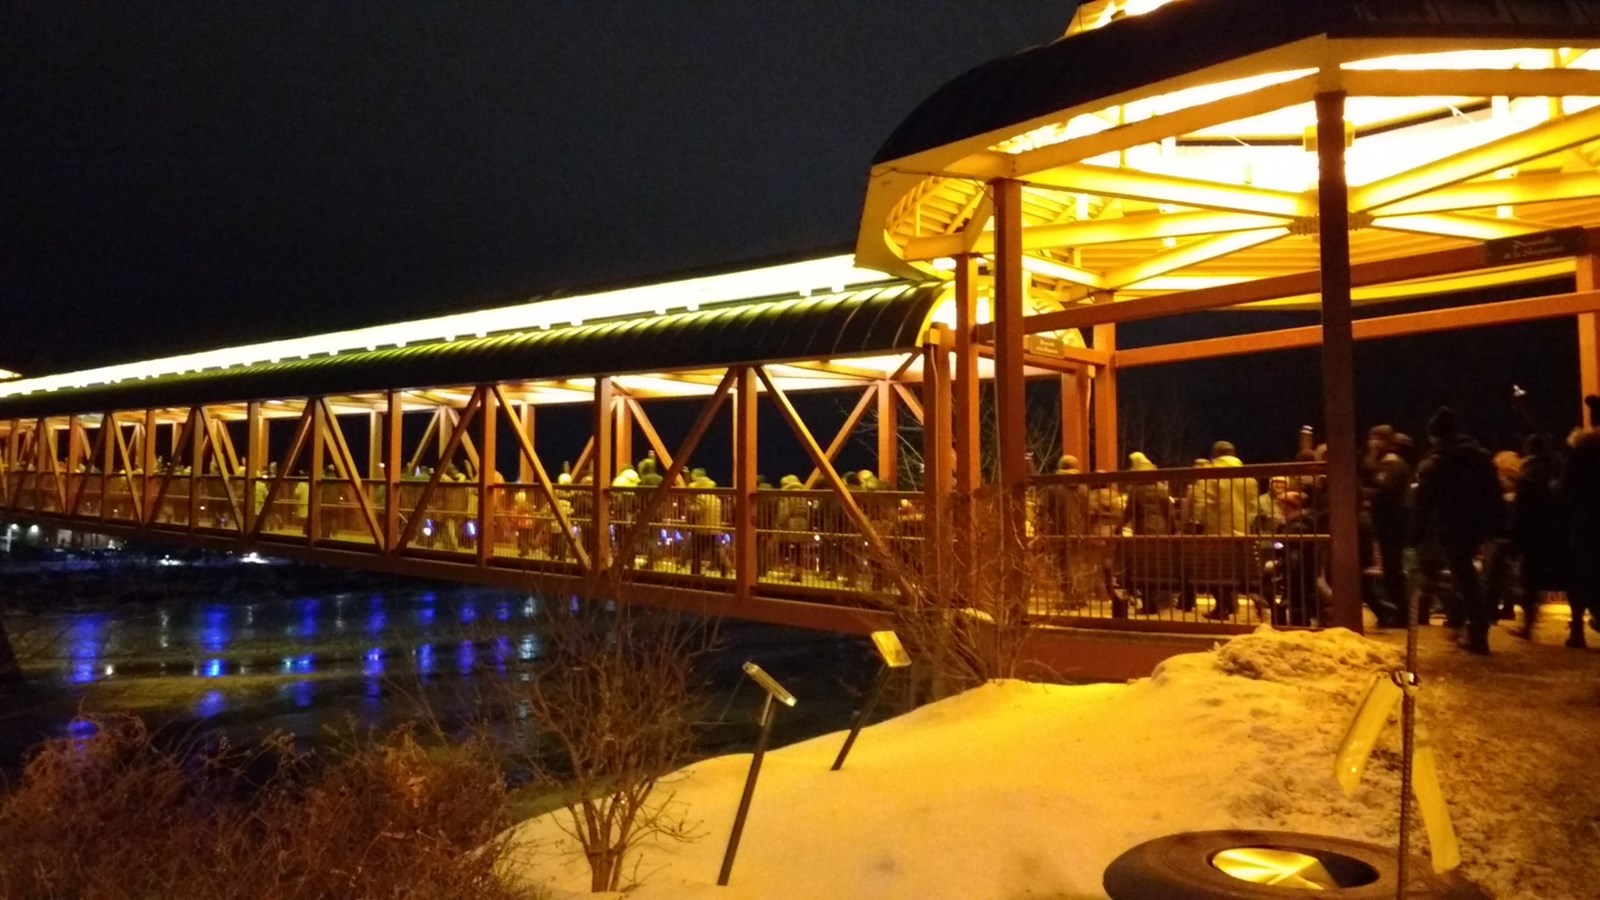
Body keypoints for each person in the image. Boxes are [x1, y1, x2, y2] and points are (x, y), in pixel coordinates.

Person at [1413, 407, 1502, 654]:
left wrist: (1415, 533)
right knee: (1469, 576)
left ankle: (1477, 631)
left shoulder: (1436, 462)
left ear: (1434, 435)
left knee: (1465, 576)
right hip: (1480, 525)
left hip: (1453, 526)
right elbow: (1494, 493)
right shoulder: (1481, 457)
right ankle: (1475, 626)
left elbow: (1423, 503)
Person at [1510, 434, 1567, 639]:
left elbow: (1521, 509)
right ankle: (1575, 626)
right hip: (1557, 531)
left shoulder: (1527, 475)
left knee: (1529, 580)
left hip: (1532, 533)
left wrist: (1515, 538)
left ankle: (1528, 624)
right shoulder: (1557, 471)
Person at [1558, 396, 1600, 648]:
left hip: (1586, 520)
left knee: (1582, 573)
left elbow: (1566, 487)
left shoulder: (1583, 446)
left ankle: (1579, 627)